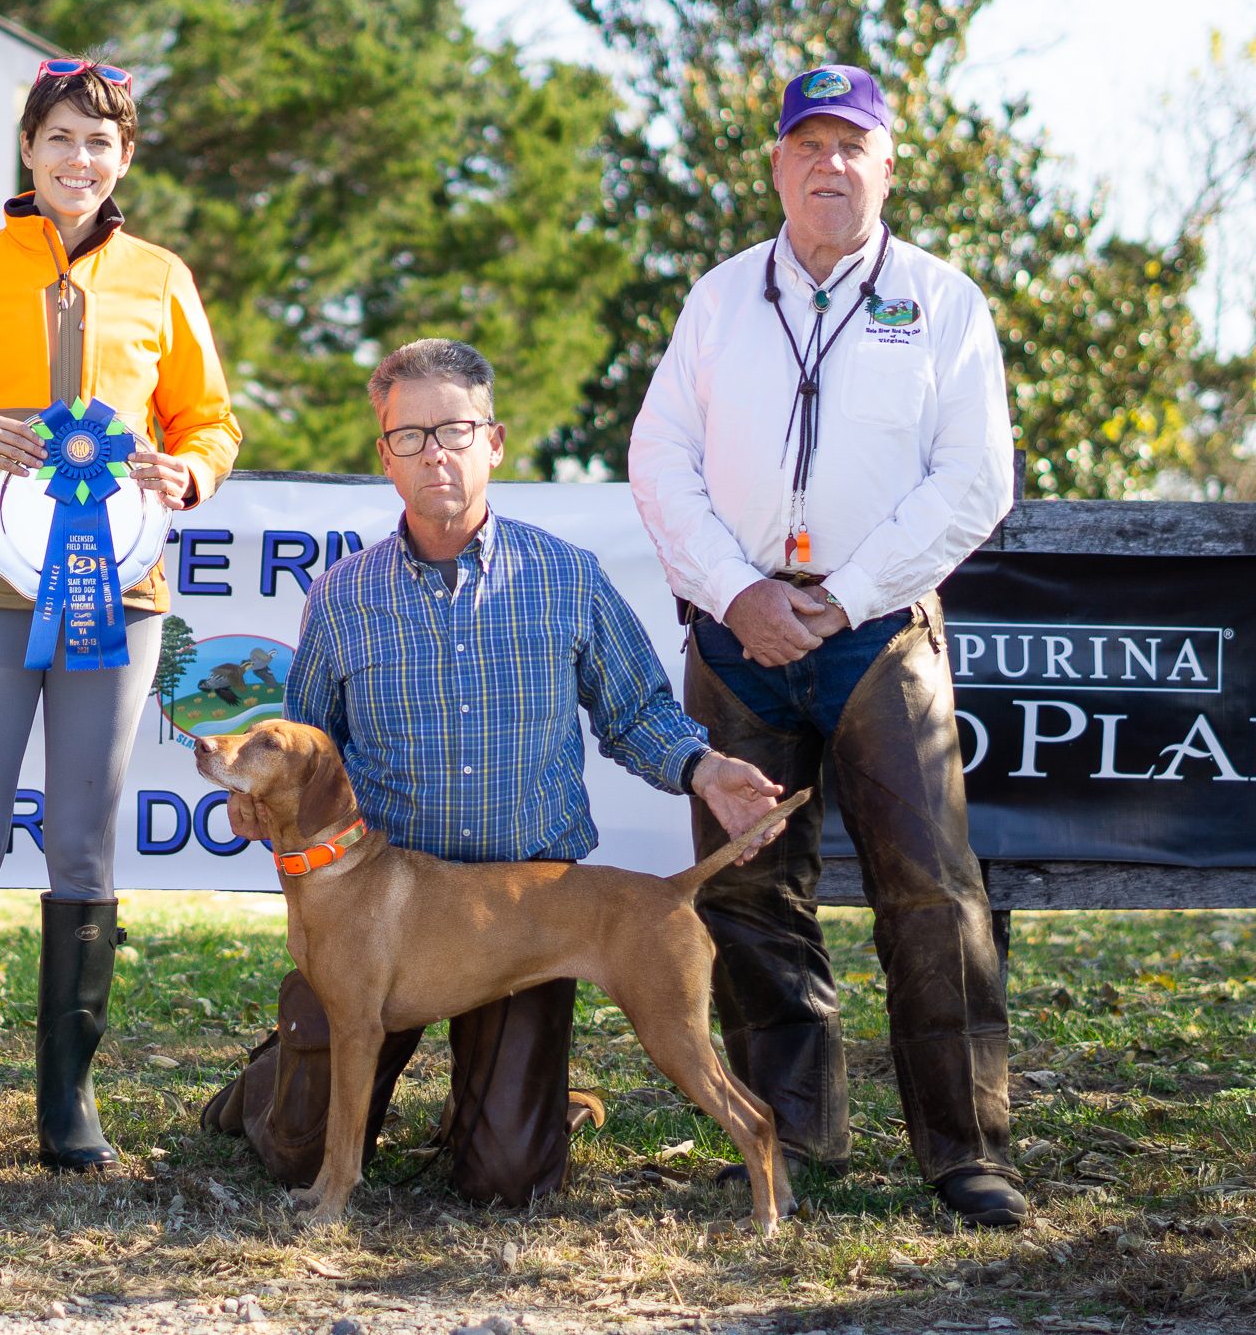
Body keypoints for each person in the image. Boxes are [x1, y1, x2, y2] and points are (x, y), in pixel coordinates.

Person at [201, 338, 785, 1206]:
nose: (435, 451)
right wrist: (258, 803)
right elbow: (306, 749)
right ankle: (266, 1079)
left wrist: (703, 769)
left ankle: (534, 1097)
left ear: (496, 442)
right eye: (410, 435)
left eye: (455, 429)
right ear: (384, 457)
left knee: (504, 1179)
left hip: (524, 922)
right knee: (291, 1150)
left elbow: (635, 713)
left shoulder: (568, 577)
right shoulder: (343, 596)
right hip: (377, 904)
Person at [628, 63, 1024, 1225]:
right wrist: (736, 591)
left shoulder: (941, 302)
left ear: (886, 165)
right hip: (737, 636)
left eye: (851, 146)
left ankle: (965, 1153)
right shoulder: (716, 300)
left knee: (930, 891)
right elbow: (660, 461)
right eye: (807, 145)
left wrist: (842, 595)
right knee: (745, 891)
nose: (827, 165)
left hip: (875, 636)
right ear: (776, 166)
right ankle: (790, 1133)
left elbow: (974, 481)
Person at [0, 58, 241, 1173]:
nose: (81, 159)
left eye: (102, 141)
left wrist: (189, 474)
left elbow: (209, 422)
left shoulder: (162, 278)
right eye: (62, 137)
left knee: (81, 840)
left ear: (126, 160)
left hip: (120, 596)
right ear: (28, 149)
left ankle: (67, 1104)